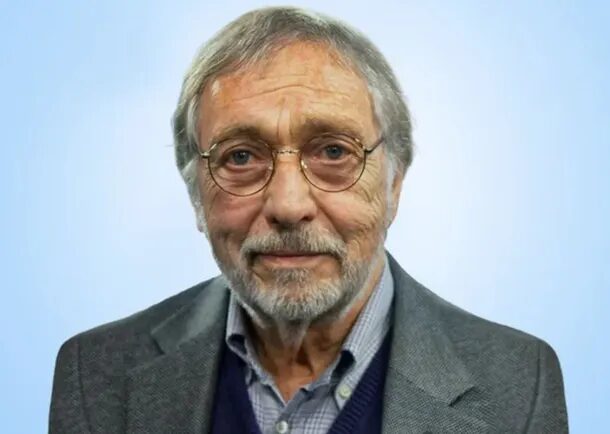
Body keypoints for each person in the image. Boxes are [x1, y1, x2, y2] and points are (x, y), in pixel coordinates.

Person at [49, 6, 568, 433]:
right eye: (241, 157)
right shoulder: (93, 376)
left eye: (333, 151)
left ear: (395, 182)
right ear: (195, 194)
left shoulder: (519, 386)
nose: (288, 204)